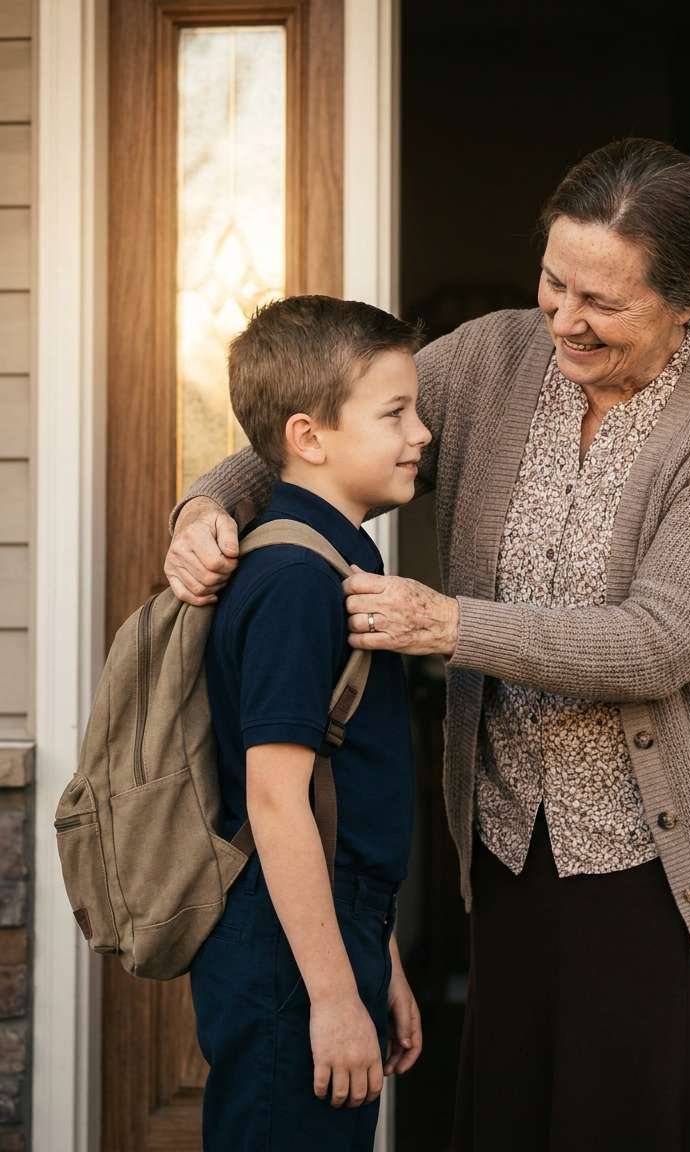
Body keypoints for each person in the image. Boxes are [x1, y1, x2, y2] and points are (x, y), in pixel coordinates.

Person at [167, 139, 690, 1150]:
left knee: (651, 1109)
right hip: (513, 835)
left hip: (672, 860)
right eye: (553, 280)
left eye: (602, 301)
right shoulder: (493, 356)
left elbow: (660, 642)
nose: (563, 318)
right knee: (521, 1103)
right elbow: (306, 432)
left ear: (685, 301)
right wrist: (202, 509)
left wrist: (449, 625)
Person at [189, 295, 427, 1152]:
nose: (422, 433)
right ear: (309, 436)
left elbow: (338, 793)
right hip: (284, 954)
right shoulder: (293, 577)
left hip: (327, 928)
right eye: (395, 412)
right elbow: (278, 799)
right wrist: (332, 995)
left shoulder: (337, 557)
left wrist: (380, 963)